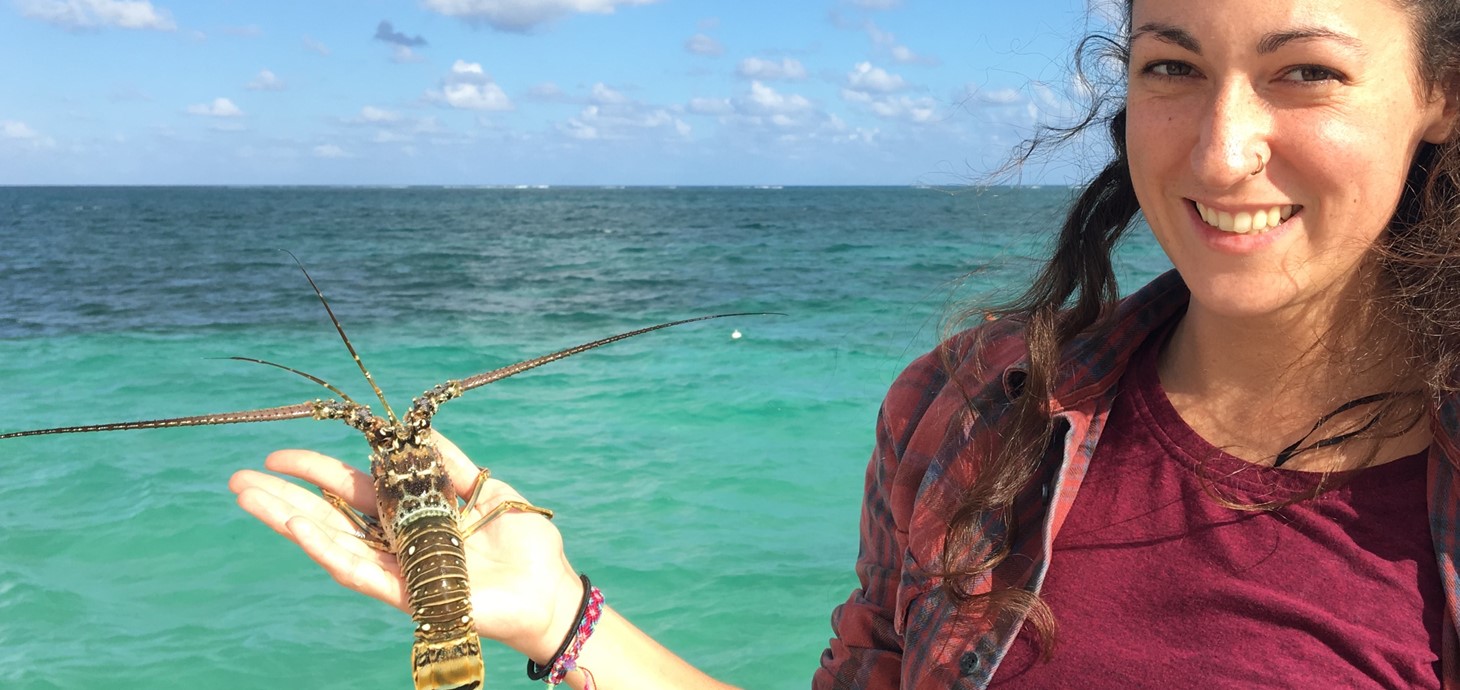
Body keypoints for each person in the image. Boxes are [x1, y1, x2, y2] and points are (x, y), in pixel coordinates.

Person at [229, 0, 1460, 687]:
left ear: (1436, 95)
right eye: (1170, 69)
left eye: (1304, 73)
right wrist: (559, 616)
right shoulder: (972, 409)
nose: (1213, 150)